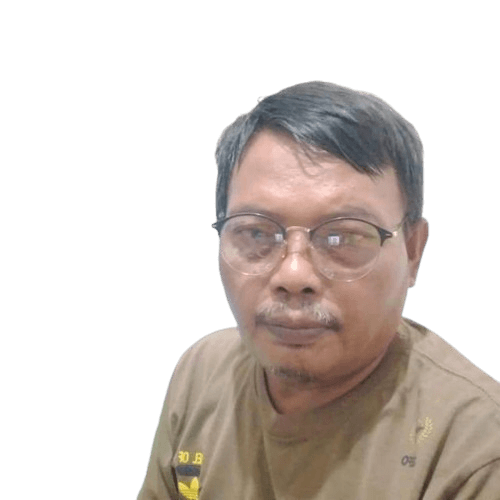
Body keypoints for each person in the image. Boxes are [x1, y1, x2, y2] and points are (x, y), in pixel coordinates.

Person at [137, 81, 500, 499]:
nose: (293, 275)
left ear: (413, 251)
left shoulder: (475, 450)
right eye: (256, 232)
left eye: (342, 237)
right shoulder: (201, 372)